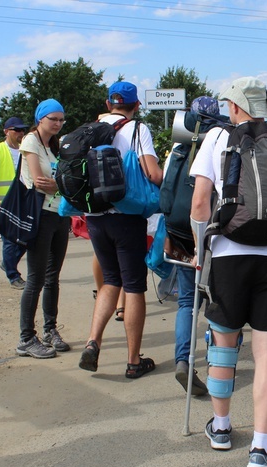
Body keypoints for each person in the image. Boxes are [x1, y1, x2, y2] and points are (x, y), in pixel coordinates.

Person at [190, 76, 267, 467]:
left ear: (234, 107)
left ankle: (220, 428)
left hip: (229, 253)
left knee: (224, 345)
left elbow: (201, 202)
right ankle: (261, 448)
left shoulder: (216, 140)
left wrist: (201, 249)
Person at [78, 81, 163, 379]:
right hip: (126, 216)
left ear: (107, 104)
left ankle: (93, 342)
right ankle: (133, 360)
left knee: (110, 281)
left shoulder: (89, 129)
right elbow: (152, 172)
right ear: (136, 105)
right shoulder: (137, 129)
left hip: (95, 216)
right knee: (134, 287)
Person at [162, 95, 222, 396]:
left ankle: (183, 360)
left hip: (177, 229)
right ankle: (217, 360)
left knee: (187, 301)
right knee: (216, 298)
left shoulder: (177, 147)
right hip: (207, 230)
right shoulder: (219, 145)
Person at [15, 99, 71, 359]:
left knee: (52, 277)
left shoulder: (54, 145)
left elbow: (56, 182)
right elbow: (39, 182)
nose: (58, 124)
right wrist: (62, 185)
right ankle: (26, 338)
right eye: (53, 119)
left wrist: (58, 185)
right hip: (40, 215)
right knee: (35, 278)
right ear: (40, 119)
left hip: (59, 214)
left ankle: (50, 330)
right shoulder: (31, 141)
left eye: (61, 119)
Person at [0, 117, 29, 289]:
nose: (20, 133)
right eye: (16, 130)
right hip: (5, 202)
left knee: (27, 238)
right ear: (6, 131)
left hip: (24, 201)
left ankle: (8, 263)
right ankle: (13, 275)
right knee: (10, 240)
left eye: (22, 130)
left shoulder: (25, 149)